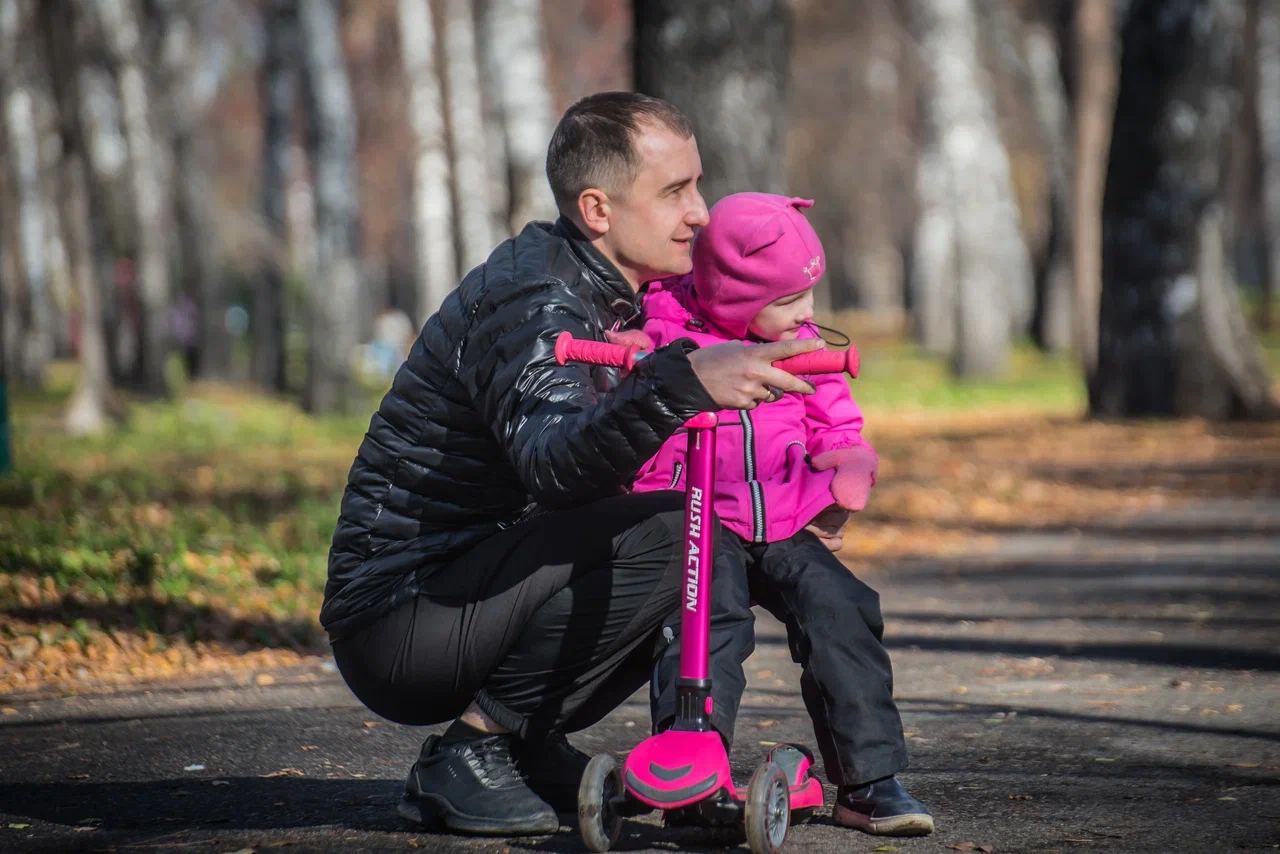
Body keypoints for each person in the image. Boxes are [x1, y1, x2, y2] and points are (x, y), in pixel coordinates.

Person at [321, 93, 825, 836]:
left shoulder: (619, 290)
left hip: (477, 588)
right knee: (678, 536)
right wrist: (684, 383)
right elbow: (555, 468)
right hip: (400, 618)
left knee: (701, 540)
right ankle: (468, 753)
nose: (702, 214)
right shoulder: (536, 299)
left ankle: (526, 745)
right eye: (675, 191)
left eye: (698, 184)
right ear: (597, 209)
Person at [632, 193, 935, 837]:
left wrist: (848, 469)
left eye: (811, 295)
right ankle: (693, 771)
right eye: (790, 301)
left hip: (781, 514)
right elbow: (630, 396)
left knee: (841, 607)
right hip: (695, 520)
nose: (808, 315)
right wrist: (625, 355)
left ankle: (868, 779)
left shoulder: (801, 346)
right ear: (737, 298)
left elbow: (837, 423)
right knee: (706, 624)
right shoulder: (665, 330)